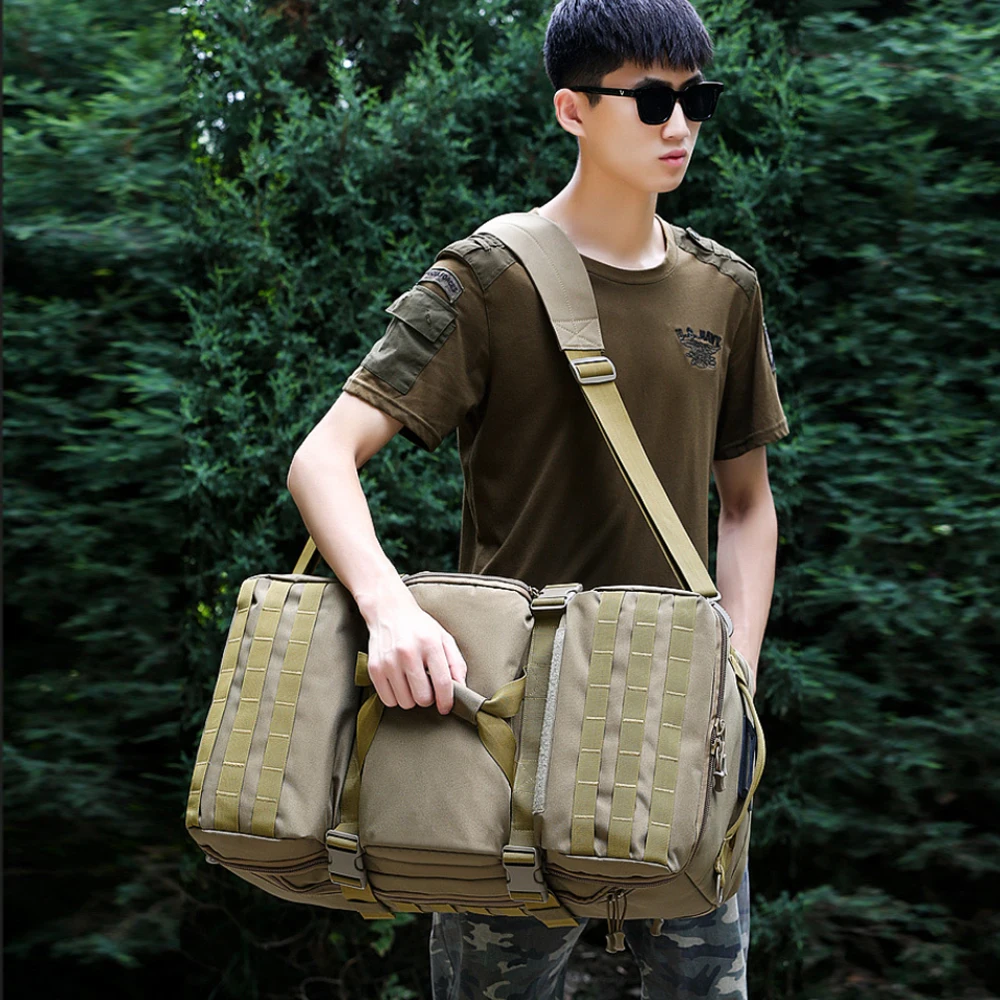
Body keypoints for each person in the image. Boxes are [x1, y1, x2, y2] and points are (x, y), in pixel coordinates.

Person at [286, 0, 790, 995]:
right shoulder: (487, 279)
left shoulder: (725, 291)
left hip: (674, 730)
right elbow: (323, 457)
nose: (680, 126)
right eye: (651, 101)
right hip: (508, 733)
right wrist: (389, 612)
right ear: (572, 109)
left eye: (697, 100)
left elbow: (744, 505)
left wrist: (734, 674)